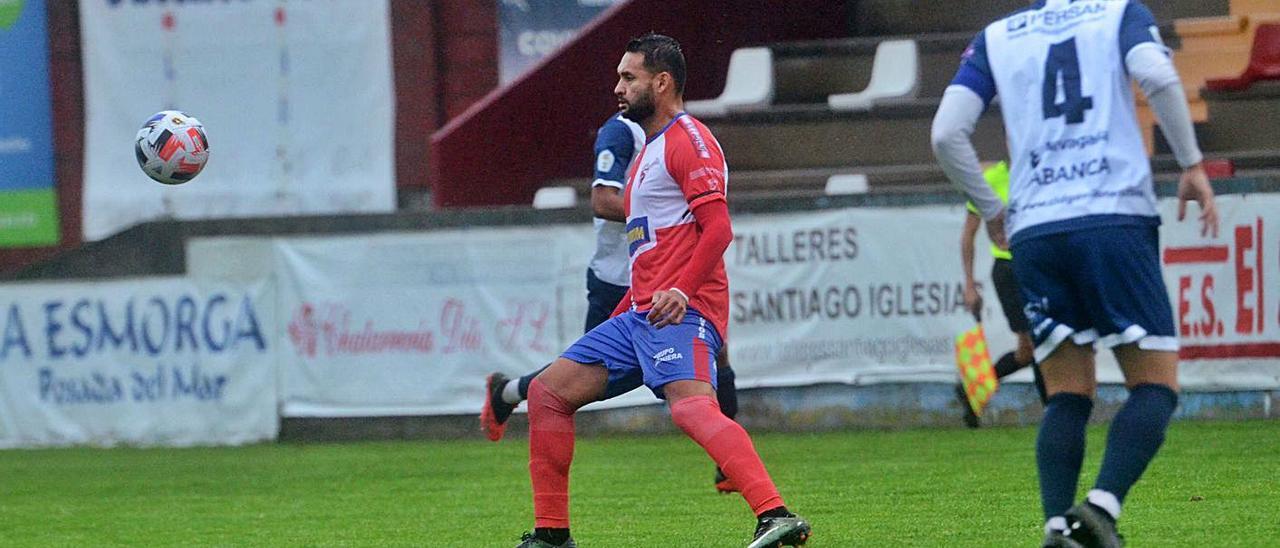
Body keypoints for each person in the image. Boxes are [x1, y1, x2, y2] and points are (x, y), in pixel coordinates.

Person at [931, 1, 1218, 546]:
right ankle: (1102, 507)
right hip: (1112, 217)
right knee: (1155, 385)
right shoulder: (1119, 14)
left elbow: (946, 133)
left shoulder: (998, 35)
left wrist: (993, 210)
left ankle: (1056, 527)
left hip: (1035, 231)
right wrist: (1191, 164)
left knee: (1067, 394)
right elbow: (1156, 73)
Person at [512, 33, 810, 548]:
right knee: (547, 394)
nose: (618, 87)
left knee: (691, 408)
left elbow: (718, 229)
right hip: (641, 316)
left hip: (683, 313)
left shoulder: (688, 139)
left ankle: (776, 516)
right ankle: (552, 535)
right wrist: (625, 312)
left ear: (662, 81)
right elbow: (649, 256)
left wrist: (682, 290)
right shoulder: (649, 149)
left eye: (629, 77)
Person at [480, 111, 744, 494]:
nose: (623, 88)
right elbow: (603, 200)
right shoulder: (621, 132)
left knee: (716, 352)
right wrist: (666, 215)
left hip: (668, 273)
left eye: (630, 78)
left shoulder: (677, 135)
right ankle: (506, 393)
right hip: (618, 277)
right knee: (574, 374)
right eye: (625, 77)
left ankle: (728, 468)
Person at [954, 161, 1046, 428]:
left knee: (1026, 352)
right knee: (1037, 343)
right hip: (1009, 270)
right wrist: (970, 284)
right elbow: (968, 234)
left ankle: (970, 391)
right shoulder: (991, 179)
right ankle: (1056, 414)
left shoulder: (1038, 172)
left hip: (1036, 266)